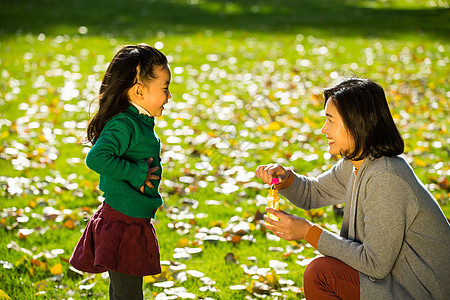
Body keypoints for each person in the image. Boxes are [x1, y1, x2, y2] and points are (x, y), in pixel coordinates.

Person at [256, 77, 450, 299]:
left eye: (330, 120)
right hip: (394, 282)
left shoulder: (387, 177)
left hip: (422, 292)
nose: (323, 129)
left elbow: (375, 263)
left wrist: (308, 232)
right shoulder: (358, 163)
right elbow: (314, 193)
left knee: (321, 274)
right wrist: (286, 179)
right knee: (322, 272)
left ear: (356, 123)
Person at [69, 43, 172, 299]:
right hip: (122, 224)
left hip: (132, 221)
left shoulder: (139, 121)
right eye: (165, 88)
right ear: (139, 90)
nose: (169, 96)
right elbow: (97, 158)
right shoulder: (125, 123)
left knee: (124, 293)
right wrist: (136, 172)